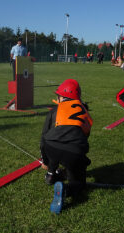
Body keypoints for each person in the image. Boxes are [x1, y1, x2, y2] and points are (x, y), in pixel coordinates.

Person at [40, 79, 93, 214]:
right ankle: (66, 190)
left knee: (53, 144)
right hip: (74, 150)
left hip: (51, 145)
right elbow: (85, 135)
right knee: (79, 183)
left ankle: (51, 174)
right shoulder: (84, 110)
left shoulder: (55, 109)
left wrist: (45, 161)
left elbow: (44, 136)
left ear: (62, 97)